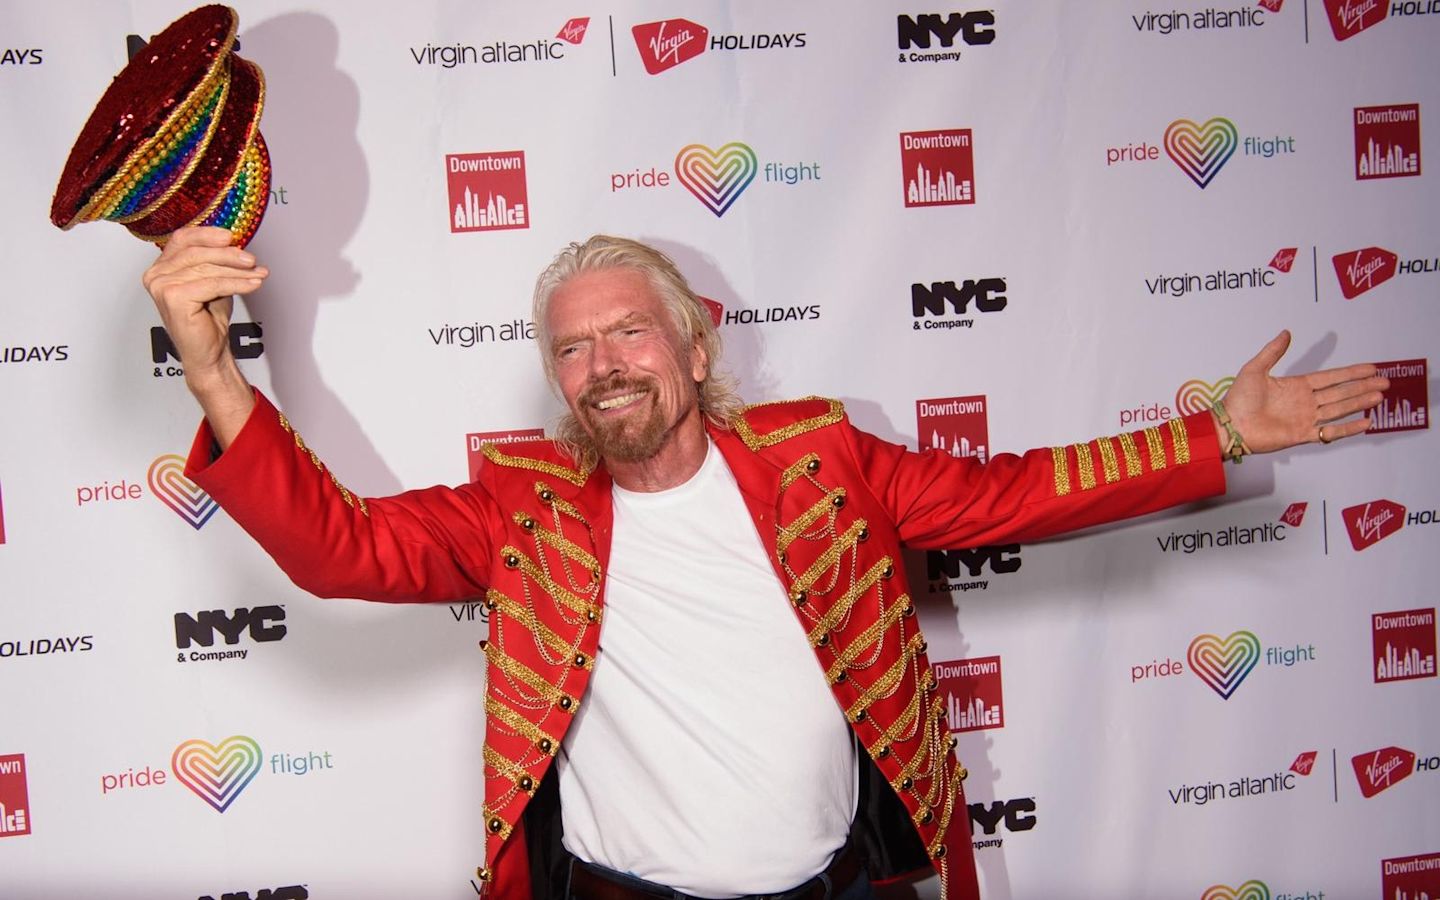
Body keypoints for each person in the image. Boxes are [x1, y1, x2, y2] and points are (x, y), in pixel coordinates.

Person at [144, 227, 1387, 900]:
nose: (605, 365)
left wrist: (1217, 432)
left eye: (630, 330)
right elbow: (339, 549)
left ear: (694, 348)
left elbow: (1014, 492)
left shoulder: (823, 461)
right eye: (574, 350)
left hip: (838, 884)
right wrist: (214, 374)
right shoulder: (521, 507)